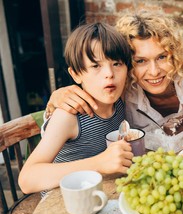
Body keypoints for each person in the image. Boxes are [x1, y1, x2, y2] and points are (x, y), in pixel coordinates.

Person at [45, 10, 183, 129]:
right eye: (140, 61)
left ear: (175, 54)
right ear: (124, 63)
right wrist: (57, 96)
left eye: (162, 57)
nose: (154, 71)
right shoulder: (119, 91)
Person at [18, 22, 133, 194]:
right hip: (63, 203)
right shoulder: (69, 116)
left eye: (117, 64)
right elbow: (27, 179)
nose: (109, 73)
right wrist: (99, 163)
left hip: (102, 194)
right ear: (76, 74)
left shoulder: (121, 101)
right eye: (96, 65)